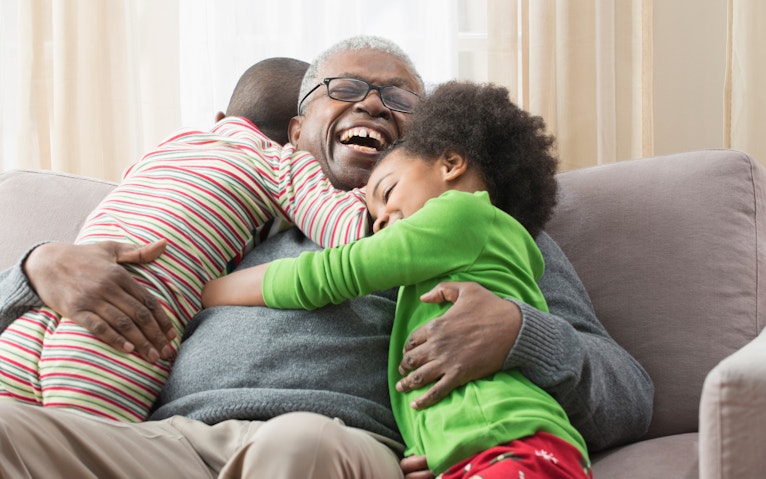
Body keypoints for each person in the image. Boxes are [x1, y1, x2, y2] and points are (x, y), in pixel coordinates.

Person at [0, 36, 652, 478]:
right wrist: (33, 272)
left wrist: (518, 333)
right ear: (293, 129)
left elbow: (629, 392)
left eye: (400, 99)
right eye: (345, 87)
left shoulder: (480, 227)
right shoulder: (220, 215)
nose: (371, 103)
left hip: (330, 445)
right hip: (164, 447)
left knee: (297, 441)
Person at [202, 80, 593, 478]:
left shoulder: (463, 215)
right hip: (474, 452)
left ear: (451, 164)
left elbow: (333, 273)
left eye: (387, 194)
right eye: (375, 219)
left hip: (513, 444)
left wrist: (208, 291)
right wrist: (438, 451)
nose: (383, 223)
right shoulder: (460, 257)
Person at [0, 56, 369, 422]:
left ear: (220, 120)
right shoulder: (281, 162)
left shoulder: (172, 145)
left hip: (34, 317)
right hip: (125, 324)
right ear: (297, 133)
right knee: (82, 450)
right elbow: (348, 231)